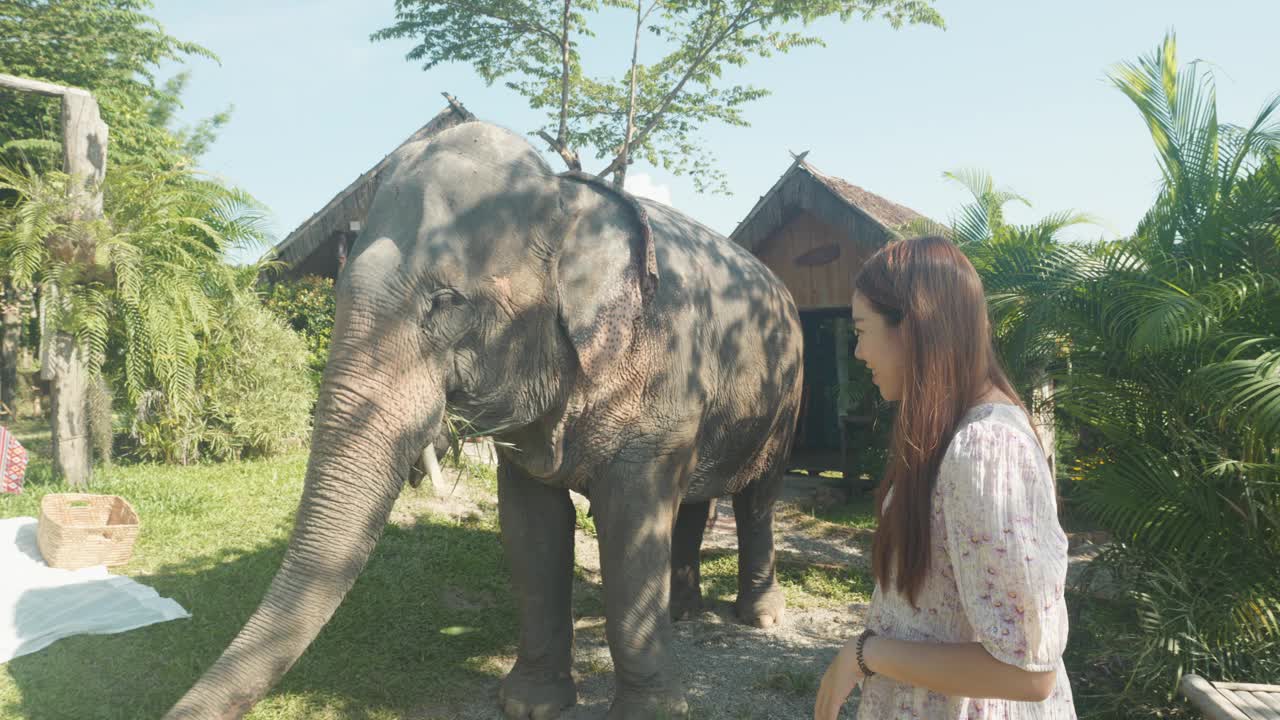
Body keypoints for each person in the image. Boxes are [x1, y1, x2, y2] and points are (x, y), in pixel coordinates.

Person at [814, 236, 1076, 720]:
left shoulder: (984, 450)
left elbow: (1029, 673)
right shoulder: (956, 436)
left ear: (912, 329)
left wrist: (864, 654)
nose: (857, 351)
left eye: (862, 329)